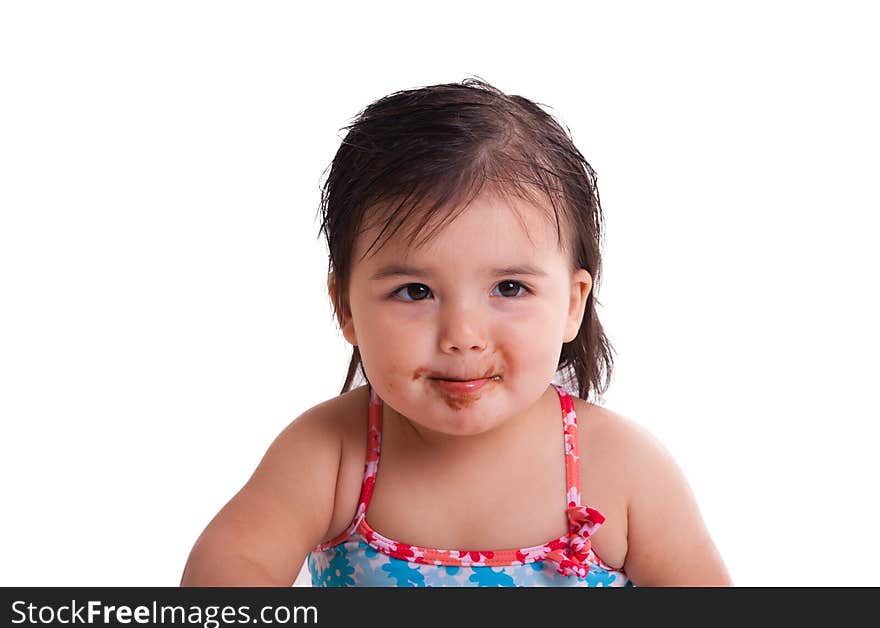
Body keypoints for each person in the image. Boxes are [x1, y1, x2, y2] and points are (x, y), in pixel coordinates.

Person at [180, 78, 732, 587]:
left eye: (509, 288)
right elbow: (231, 564)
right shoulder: (333, 450)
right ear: (345, 306)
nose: (463, 336)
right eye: (415, 291)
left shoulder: (620, 466)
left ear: (571, 304)